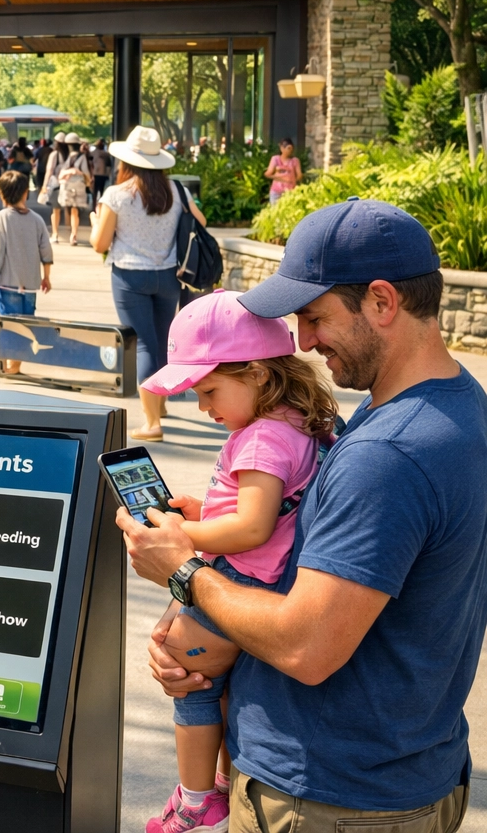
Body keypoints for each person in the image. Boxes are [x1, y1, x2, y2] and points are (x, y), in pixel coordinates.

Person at [119, 199, 485, 833]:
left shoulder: (387, 453)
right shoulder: (452, 404)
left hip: (329, 799)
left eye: (315, 317)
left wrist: (184, 573)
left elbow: (305, 645)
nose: (303, 341)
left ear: (381, 301)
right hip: (396, 771)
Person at [131, 291, 339, 833]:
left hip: (239, 575)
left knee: (188, 674)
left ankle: (197, 798)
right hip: (264, 577)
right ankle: (223, 780)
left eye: (209, 391)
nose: (204, 407)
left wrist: (178, 537)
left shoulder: (261, 438)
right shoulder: (296, 422)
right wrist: (204, 512)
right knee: (214, 679)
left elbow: (251, 528)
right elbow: (273, 508)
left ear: (257, 374)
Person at [89, 126, 206, 442]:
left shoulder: (117, 195)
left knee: (142, 344)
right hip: (169, 276)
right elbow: (201, 222)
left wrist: (94, 223)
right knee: (161, 342)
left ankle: (152, 423)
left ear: (127, 161)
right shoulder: (176, 191)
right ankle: (160, 404)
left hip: (130, 277)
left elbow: (100, 244)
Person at [0, 170, 53, 373]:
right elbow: (46, 250)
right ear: (26, 193)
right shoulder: (37, 220)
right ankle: (15, 365)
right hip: (30, 285)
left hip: (7, 283)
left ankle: (10, 365)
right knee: (26, 323)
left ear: (2, 194)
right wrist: (46, 277)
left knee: (9, 324)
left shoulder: (0, 218)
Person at [55, 134, 92, 245]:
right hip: (78, 186)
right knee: (75, 211)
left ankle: (71, 231)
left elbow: (60, 171)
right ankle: (73, 234)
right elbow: (86, 172)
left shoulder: (67, 157)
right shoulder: (82, 157)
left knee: (69, 209)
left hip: (66, 186)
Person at [265, 138, 301, 204]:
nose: (291, 150)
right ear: (282, 148)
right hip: (276, 192)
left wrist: (293, 180)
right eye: (288, 148)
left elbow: (299, 175)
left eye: (292, 148)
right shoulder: (275, 159)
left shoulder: (295, 161)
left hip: (290, 192)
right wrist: (281, 178)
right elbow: (267, 174)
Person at [90, 137, 111, 207]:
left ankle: (94, 207)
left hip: (96, 174)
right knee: (101, 192)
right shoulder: (106, 154)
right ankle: (100, 207)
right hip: (102, 175)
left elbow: (90, 164)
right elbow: (109, 166)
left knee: (95, 193)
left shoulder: (92, 153)